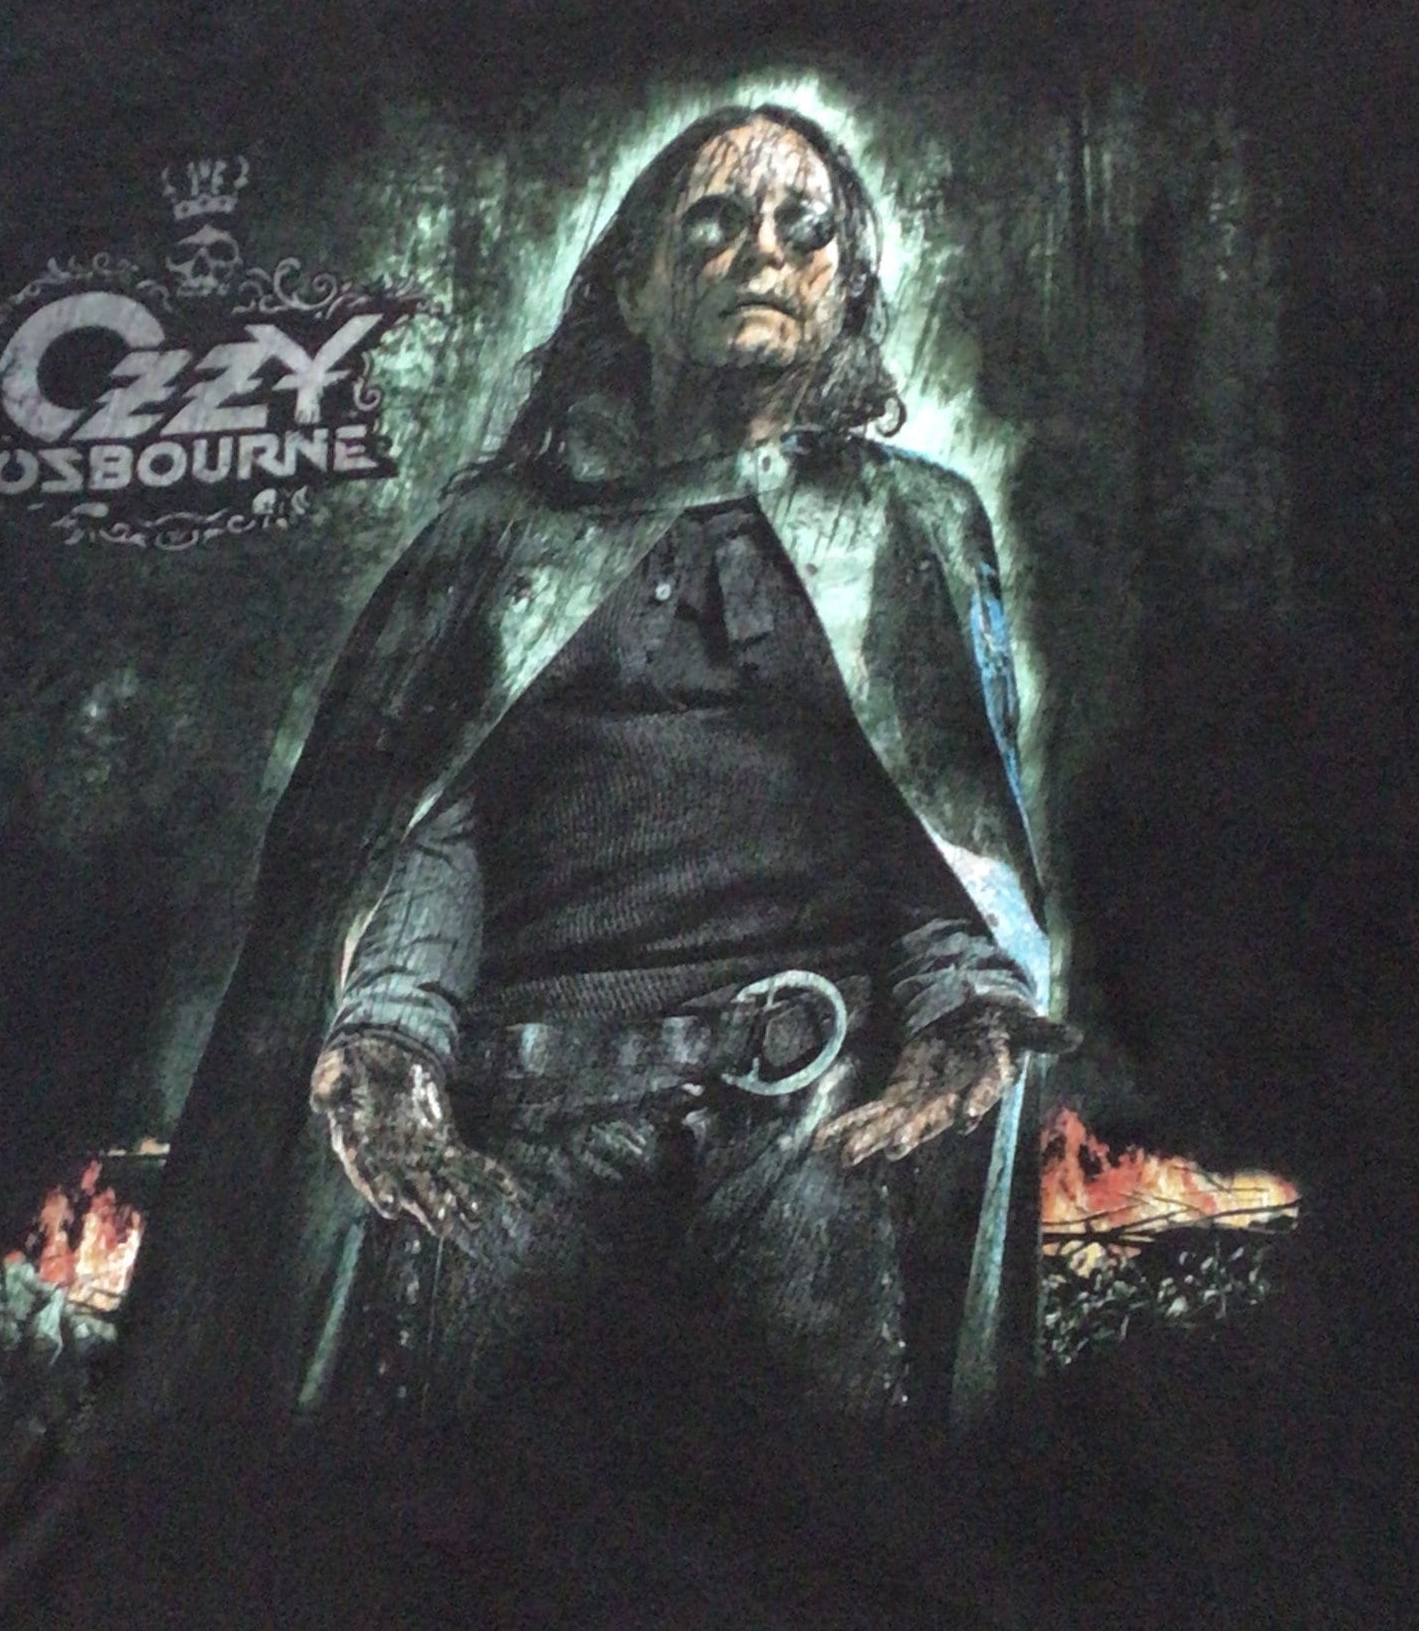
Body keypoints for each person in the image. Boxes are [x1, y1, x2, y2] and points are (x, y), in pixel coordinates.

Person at [126, 103, 1070, 1454]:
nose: (762, 253)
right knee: (471, 1503)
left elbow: (937, 820)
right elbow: (423, 825)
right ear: (632, 284)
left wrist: (964, 1000)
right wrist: (389, 1030)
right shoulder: (496, 535)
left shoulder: (912, 522)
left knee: (824, 1508)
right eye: (714, 221)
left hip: (809, 1122)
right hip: (523, 1122)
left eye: (804, 230)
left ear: (847, 291)